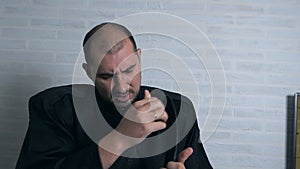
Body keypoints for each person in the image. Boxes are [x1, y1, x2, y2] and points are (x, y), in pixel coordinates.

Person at [15, 22, 213, 169]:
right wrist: (121, 138)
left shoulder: (178, 109)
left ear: (140, 57)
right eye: (106, 76)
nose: (121, 87)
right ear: (88, 71)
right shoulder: (55, 108)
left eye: (128, 70)